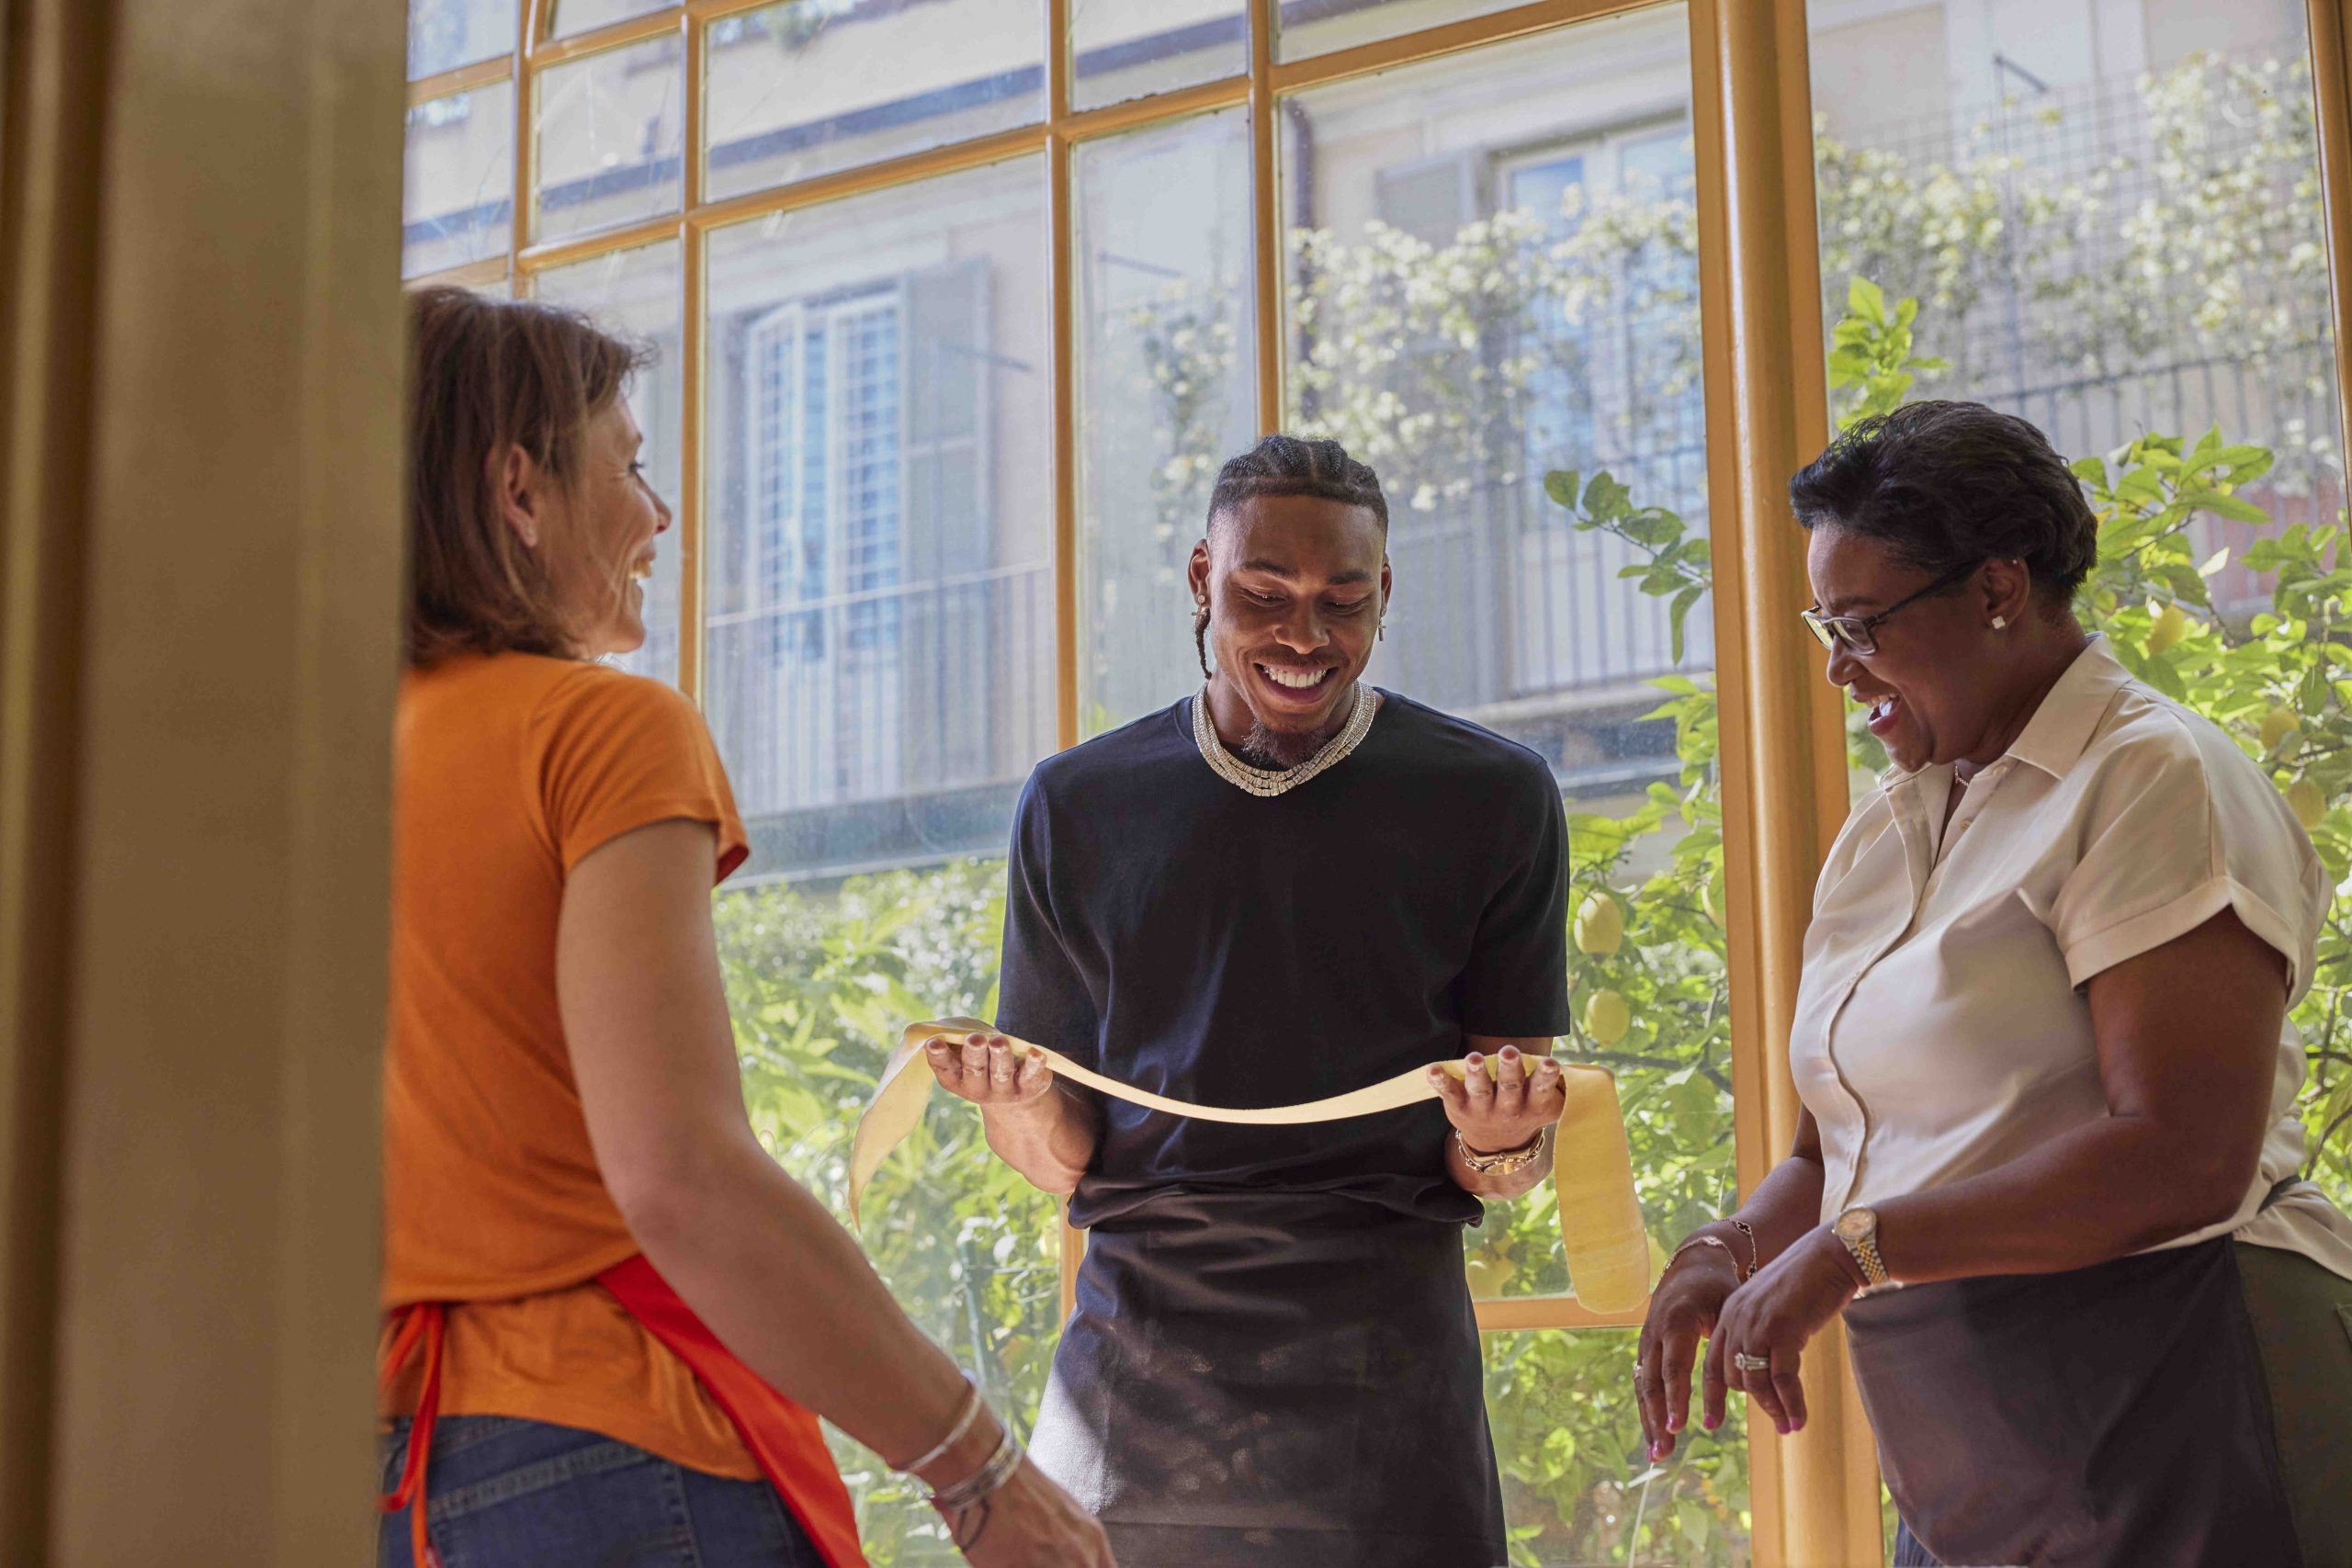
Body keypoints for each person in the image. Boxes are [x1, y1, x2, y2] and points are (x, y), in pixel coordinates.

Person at [379, 287, 1113, 1568]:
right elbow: (681, 1177)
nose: (658, 517)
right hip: (609, 1449)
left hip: (381, 1466)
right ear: (518, 488)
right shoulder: (599, 727)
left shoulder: (310, 775)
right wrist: (983, 1472)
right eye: (632, 464)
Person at [1632, 400, 2352, 1568]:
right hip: (1974, 1455)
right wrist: (1725, 1251)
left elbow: (2181, 1152)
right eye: (1824, 623)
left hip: (2184, 1403)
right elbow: (1834, 1158)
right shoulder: (1887, 831)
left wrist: (1847, 1253)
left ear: (1998, 589)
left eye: (1859, 623)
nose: (1832, 666)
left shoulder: (2148, 778)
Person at [922, 434, 1573, 1568]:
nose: (1304, 637)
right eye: (1262, 595)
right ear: (1199, 583)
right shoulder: (1074, 806)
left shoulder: (1493, 798)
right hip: (1135, 1361)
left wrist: (1507, 1144)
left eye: (1343, 601)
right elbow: (1064, 1156)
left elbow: (1502, 1152)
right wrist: (1013, 1104)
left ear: (1385, 599)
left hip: (1386, 1345)